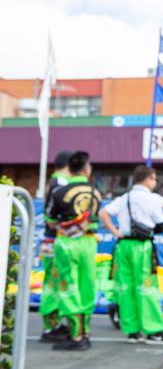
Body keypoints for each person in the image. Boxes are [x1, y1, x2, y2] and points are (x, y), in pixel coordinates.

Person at [99, 165, 163, 344]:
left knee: (125, 287)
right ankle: (154, 330)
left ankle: (132, 330)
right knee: (147, 287)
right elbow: (161, 219)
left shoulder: (124, 197)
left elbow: (103, 213)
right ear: (149, 178)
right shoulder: (152, 199)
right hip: (142, 247)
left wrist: (115, 231)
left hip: (122, 245)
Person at [46, 151, 102, 351]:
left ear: (69, 169)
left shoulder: (59, 192)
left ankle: (76, 335)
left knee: (69, 287)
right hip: (89, 243)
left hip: (67, 243)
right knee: (87, 286)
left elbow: (51, 221)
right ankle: (85, 333)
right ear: (86, 170)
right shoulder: (96, 192)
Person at [40, 150, 72, 343]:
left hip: (50, 241)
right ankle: (51, 327)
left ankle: (54, 325)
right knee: (54, 284)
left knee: (53, 283)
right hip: (56, 241)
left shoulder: (53, 181)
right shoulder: (61, 183)